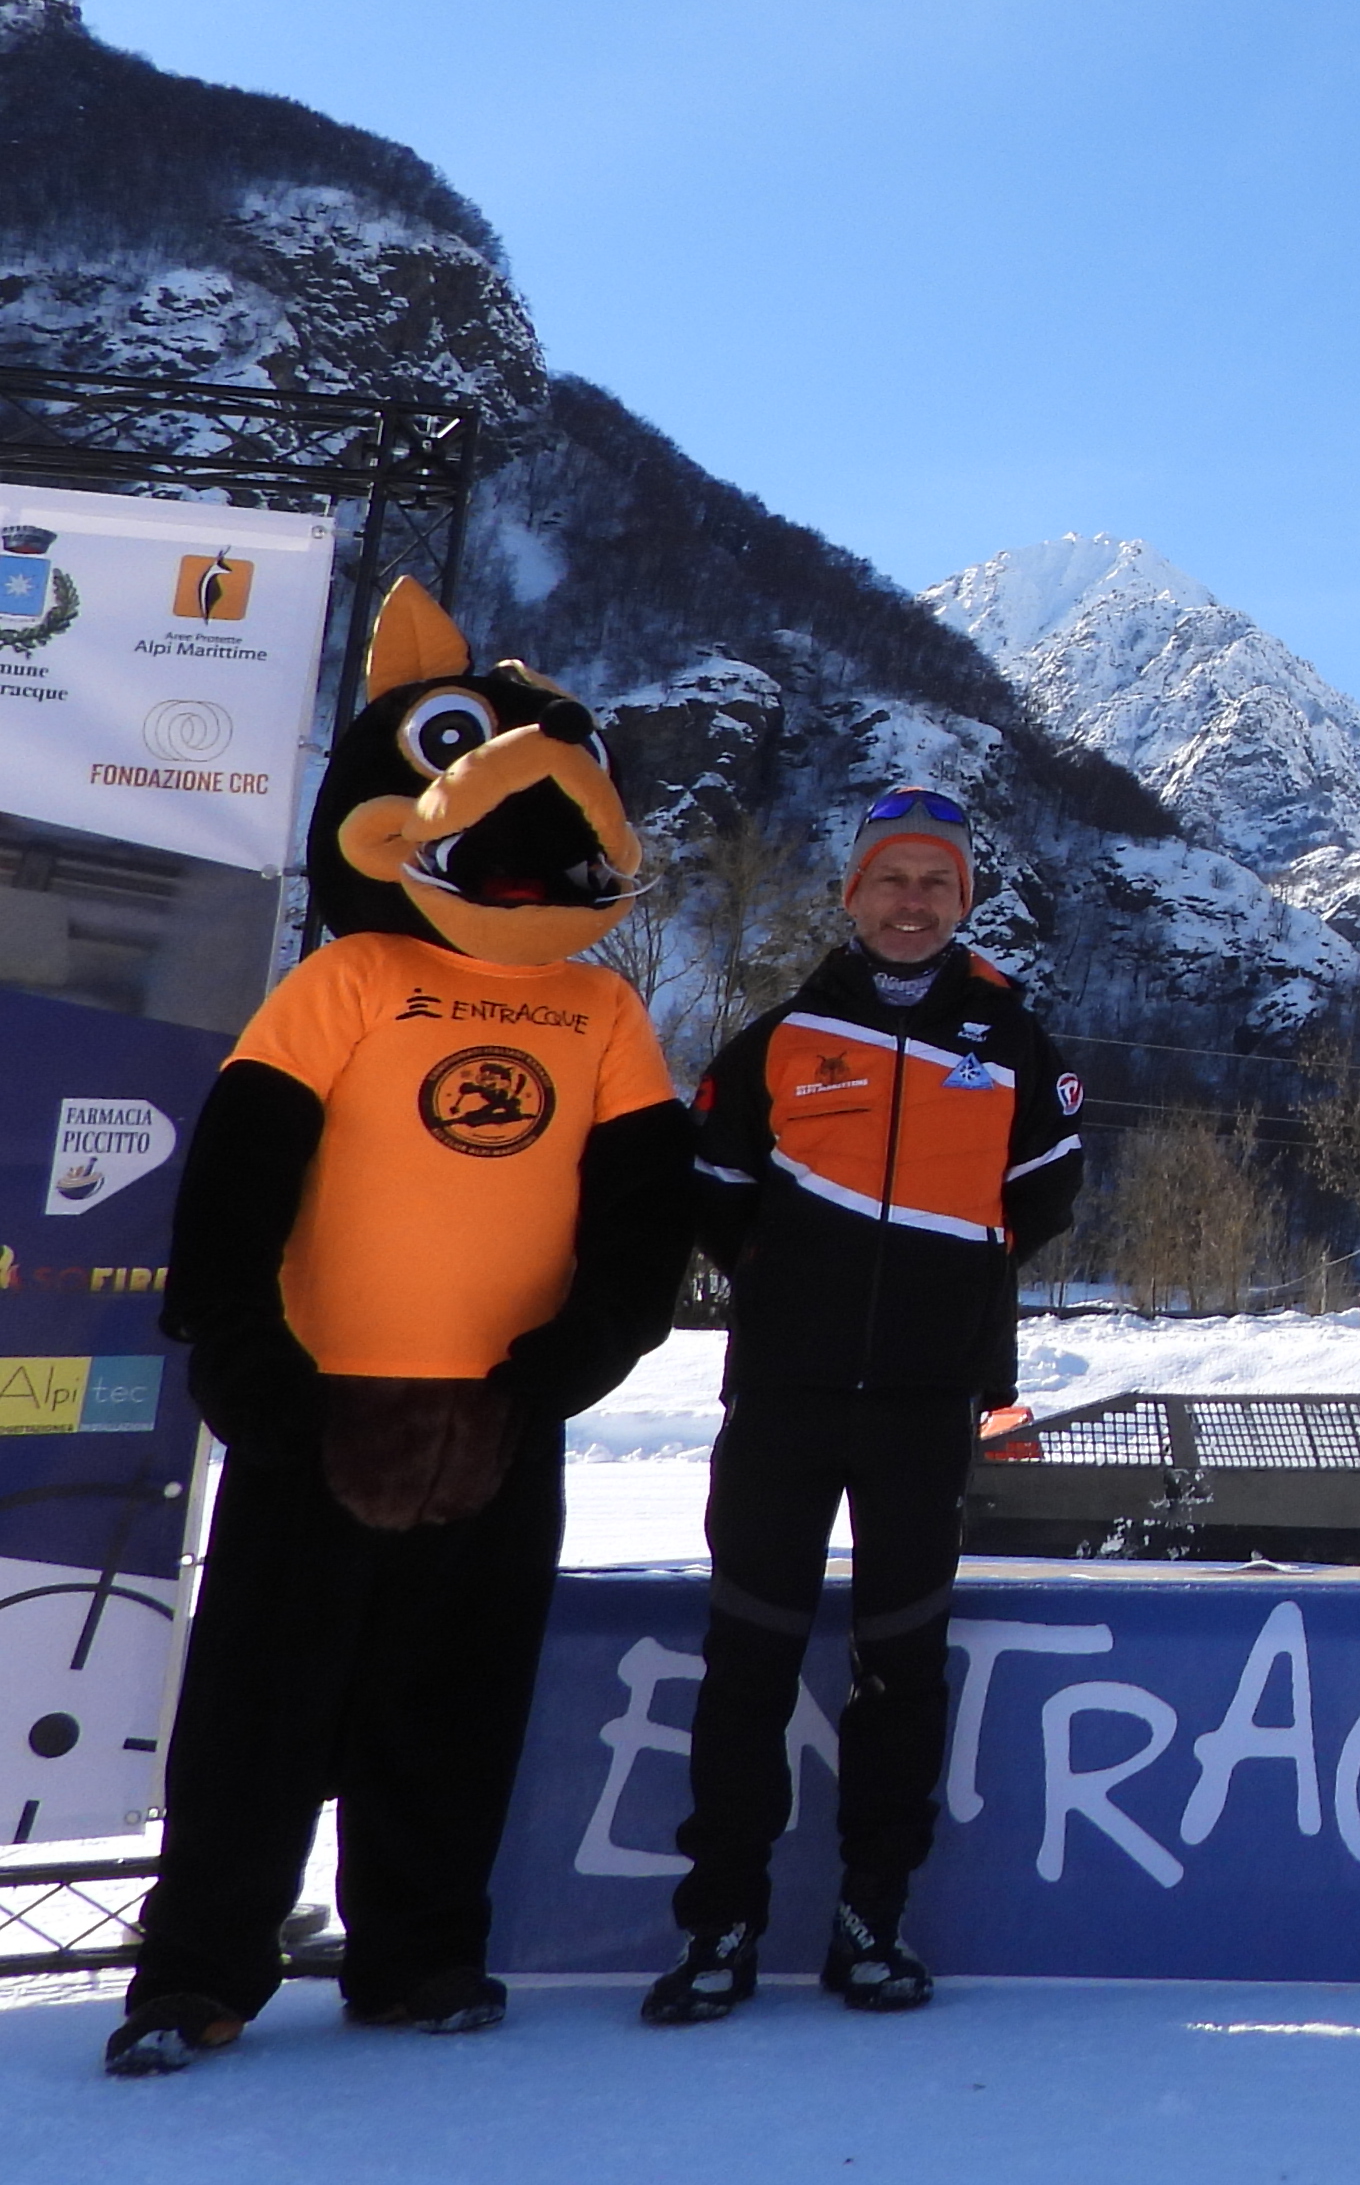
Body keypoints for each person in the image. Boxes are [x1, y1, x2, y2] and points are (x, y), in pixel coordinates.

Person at [115, 585, 690, 2074]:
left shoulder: (604, 1011)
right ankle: (200, 1967)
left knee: (452, 1707)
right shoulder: (347, 979)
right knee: (261, 1708)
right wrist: (247, 1366)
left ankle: (419, 1951)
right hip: (323, 1413)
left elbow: (643, 1221)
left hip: (500, 1417)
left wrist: (575, 1365)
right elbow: (234, 1188)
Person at [647, 788, 1085, 2023]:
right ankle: (720, 1927)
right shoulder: (780, 1035)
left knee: (901, 1667)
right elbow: (718, 1191)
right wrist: (798, 1284)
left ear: (967, 902)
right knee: (749, 1661)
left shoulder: (1011, 1038)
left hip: (924, 1403)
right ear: (851, 896)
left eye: (936, 885)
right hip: (783, 1395)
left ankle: (869, 1920)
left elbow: (1045, 1196)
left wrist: (945, 1292)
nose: (912, 902)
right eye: (891, 881)